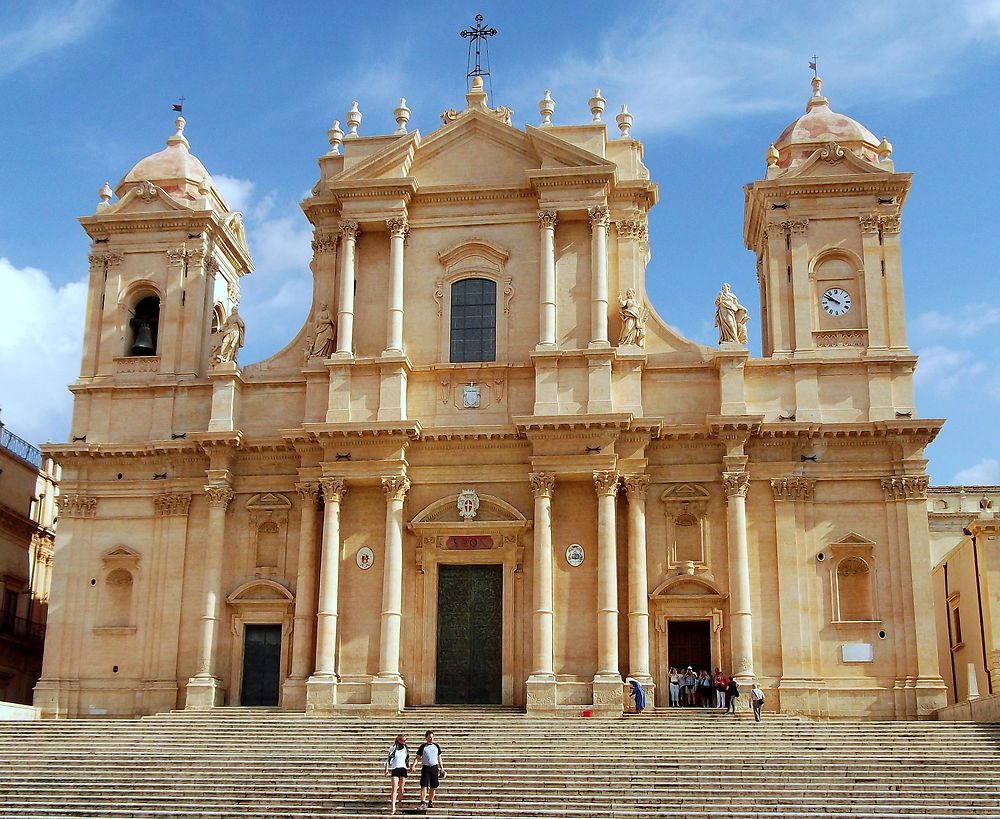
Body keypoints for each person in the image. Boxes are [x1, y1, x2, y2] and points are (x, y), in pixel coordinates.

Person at [411, 730, 445, 810]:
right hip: (426, 767)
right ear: (426, 738)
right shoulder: (423, 746)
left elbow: (439, 757)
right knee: (424, 785)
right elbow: (418, 757)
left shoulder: (436, 746)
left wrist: (442, 768)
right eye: (429, 737)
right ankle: (423, 802)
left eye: (432, 737)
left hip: (434, 767)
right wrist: (414, 765)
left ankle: (430, 801)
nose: (431, 739)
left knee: (434, 786)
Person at [384, 734, 410, 815]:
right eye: (403, 740)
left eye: (405, 740)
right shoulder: (393, 748)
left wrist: (410, 766)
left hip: (403, 768)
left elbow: (407, 758)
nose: (404, 742)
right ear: (398, 740)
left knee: (401, 789)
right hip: (395, 768)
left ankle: (399, 801)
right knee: (394, 788)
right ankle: (393, 807)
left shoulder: (406, 748)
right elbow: (388, 758)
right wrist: (386, 769)